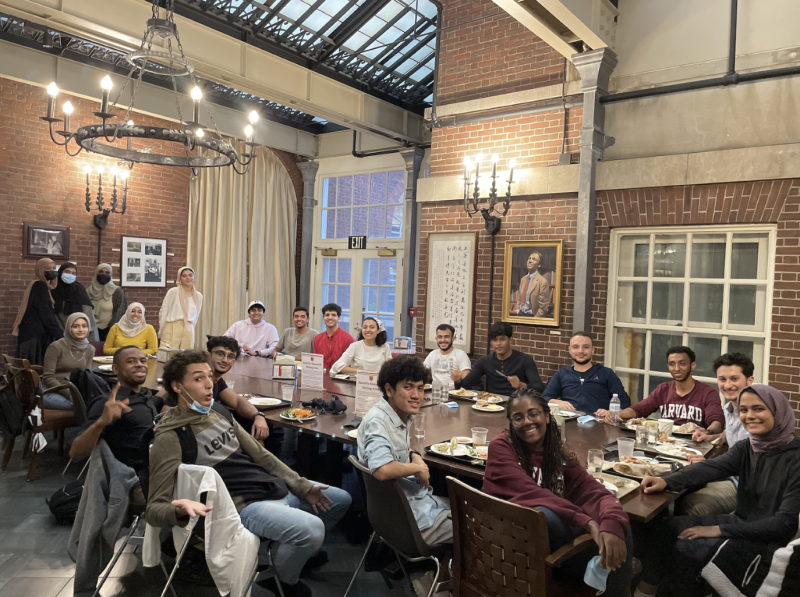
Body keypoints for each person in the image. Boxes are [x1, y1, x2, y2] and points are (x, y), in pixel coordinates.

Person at [146, 350, 352, 597]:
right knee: (312, 530)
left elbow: (261, 455)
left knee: (341, 500)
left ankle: (292, 556)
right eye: (198, 378)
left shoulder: (218, 412)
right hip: (241, 505)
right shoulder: (170, 436)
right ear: (177, 386)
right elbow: (154, 509)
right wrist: (178, 511)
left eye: (209, 377)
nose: (209, 383)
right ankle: (284, 579)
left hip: (266, 485)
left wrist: (301, 485)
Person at [637, 385, 800, 597]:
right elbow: (710, 468)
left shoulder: (796, 457)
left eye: (758, 409)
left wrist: (719, 530)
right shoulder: (748, 447)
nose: (749, 416)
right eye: (743, 410)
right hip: (742, 522)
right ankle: (647, 591)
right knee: (666, 528)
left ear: (777, 411)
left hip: (770, 539)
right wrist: (667, 482)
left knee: (686, 548)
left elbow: (784, 525)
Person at [482, 390, 632, 597]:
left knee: (617, 527)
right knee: (546, 515)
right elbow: (531, 493)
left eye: (533, 414)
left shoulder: (555, 452)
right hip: (510, 543)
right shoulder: (501, 447)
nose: (527, 422)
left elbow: (592, 489)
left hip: (545, 548)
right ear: (510, 423)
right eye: (518, 417)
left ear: (546, 416)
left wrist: (611, 522)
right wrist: (587, 521)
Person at [358, 355, 452, 544]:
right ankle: (442, 573)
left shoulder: (396, 414)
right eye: (408, 387)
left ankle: (440, 571)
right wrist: (418, 469)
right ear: (389, 389)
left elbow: (397, 447)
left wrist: (414, 456)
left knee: (469, 508)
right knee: (478, 528)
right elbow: (382, 469)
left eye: (420, 388)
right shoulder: (379, 421)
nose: (417, 395)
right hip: (407, 520)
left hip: (407, 506)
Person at [69, 346, 161, 502]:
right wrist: (101, 422)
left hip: (158, 467)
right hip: (135, 480)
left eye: (142, 360)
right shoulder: (106, 404)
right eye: (131, 361)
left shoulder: (145, 395)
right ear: (115, 369)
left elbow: (158, 400)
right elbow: (75, 453)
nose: (140, 364)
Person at [675, 353, 755, 516]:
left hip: (748, 485)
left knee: (691, 502)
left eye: (734, 379)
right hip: (733, 476)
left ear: (750, 380)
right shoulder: (729, 409)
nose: (728, 385)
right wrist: (710, 436)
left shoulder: (754, 415)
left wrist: (711, 464)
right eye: (722, 379)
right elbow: (731, 432)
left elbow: (750, 461)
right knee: (685, 483)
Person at [603, 346, 724, 433]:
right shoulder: (664, 389)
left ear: (692, 365)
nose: (676, 368)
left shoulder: (708, 392)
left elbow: (716, 421)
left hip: (695, 444)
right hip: (664, 442)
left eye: (682, 363)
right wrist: (616, 413)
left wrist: (709, 432)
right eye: (672, 364)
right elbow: (641, 408)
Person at [544, 332, 630, 414]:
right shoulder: (561, 374)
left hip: (599, 424)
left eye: (586, 347)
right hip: (568, 423)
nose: (580, 351)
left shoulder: (606, 373)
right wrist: (557, 402)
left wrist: (610, 412)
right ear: (569, 350)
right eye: (576, 347)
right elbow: (544, 398)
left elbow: (625, 403)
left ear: (592, 350)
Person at [457, 322, 543, 395]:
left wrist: (520, 385)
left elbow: (540, 389)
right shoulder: (485, 361)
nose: (498, 343)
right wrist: (457, 380)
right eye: (495, 340)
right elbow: (464, 385)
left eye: (502, 339)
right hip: (491, 405)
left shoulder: (524, 360)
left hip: (517, 404)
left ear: (510, 340)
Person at [12, 257, 63, 365]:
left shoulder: (36, 284)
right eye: (47, 269)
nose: (52, 271)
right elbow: (46, 314)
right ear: (40, 270)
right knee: (35, 372)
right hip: (34, 338)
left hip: (29, 335)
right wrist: (60, 335)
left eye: (53, 268)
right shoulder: (40, 286)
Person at [42, 312, 95, 410]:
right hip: (53, 390)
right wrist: (69, 393)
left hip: (77, 391)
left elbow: (87, 376)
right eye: (76, 326)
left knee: (97, 404)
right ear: (69, 328)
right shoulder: (56, 347)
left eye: (84, 326)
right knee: (82, 406)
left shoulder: (90, 349)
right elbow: (48, 377)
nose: (81, 330)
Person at [51, 262, 100, 341]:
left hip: (79, 336)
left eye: (73, 273)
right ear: (60, 273)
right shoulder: (53, 291)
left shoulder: (80, 291)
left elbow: (88, 317)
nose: (70, 275)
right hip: (58, 336)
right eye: (67, 272)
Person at [158, 266, 203, 349]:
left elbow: (196, 316)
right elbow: (164, 311)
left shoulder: (198, 296)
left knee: (186, 357)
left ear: (194, 277)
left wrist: (191, 328)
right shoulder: (174, 291)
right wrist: (161, 330)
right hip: (172, 326)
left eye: (190, 275)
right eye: (184, 276)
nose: (188, 278)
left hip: (188, 328)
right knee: (169, 355)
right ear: (180, 278)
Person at [87, 263, 127, 341]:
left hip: (109, 331)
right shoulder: (88, 292)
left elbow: (120, 314)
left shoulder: (117, 292)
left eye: (107, 273)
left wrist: (111, 332)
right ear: (96, 274)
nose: (104, 275)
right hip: (90, 330)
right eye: (101, 272)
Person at [312, 303, 354, 370]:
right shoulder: (317, 339)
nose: (330, 318)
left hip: (340, 377)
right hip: (321, 376)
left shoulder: (348, 339)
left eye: (333, 315)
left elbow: (350, 364)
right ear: (323, 318)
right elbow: (315, 363)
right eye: (327, 315)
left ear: (339, 318)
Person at [512, 250, 550, 317]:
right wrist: (517, 311)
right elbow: (520, 297)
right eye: (529, 258)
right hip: (520, 314)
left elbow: (543, 307)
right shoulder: (523, 279)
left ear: (539, 265)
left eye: (534, 259)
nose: (530, 261)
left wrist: (534, 320)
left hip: (532, 316)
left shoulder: (543, 282)